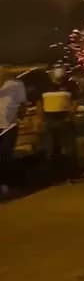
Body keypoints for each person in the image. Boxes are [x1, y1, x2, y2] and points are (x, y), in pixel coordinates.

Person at [42, 64, 80, 180]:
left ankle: (72, 174)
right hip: (49, 121)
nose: (59, 71)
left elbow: (75, 101)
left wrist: (70, 114)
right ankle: (54, 175)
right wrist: (40, 119)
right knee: (51, 149)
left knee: (69, 149)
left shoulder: (70, 85)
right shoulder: (44, 86)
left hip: (65, 120)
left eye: (60, 68)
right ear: (50, 72)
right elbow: (39, 102)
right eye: (56, 68)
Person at [0, 67, 26, 196]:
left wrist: (20, 116)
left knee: (5, 154)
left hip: (10, 126)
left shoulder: (16, 85)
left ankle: (10, 184)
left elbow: (22, 104)